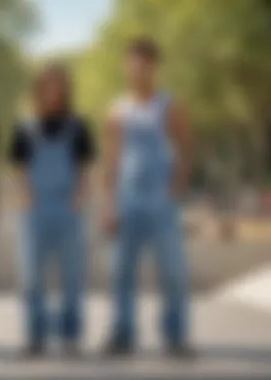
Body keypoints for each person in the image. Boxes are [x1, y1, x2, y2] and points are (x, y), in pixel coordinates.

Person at [102, 37, 194, 357]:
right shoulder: (116, 110)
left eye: (144, 63)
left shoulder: (169, 105)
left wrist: (176, 187)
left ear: (154, 66)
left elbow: (185, 148)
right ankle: (122, 333)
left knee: (172, 270)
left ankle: (175, 335)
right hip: (127, 198)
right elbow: (111, 160)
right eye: (133, 62)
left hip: (160, 199)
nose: (138, 69)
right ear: (126, 66)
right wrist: (109, 205)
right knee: (122, 271)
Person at [10, 64, 94, 357]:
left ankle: (70, 337)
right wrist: (25, 199)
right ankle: (35, 337)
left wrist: (78, 198)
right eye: (47, 85)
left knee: (71, 276)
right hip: (34, 209)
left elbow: (84, 168)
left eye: (58, 85)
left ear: (65, 89)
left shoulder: (78, 126)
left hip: (67, 207)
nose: (53, 91)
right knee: (31, 277)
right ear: (39, 90)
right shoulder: (25, 127)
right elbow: (19, 169)